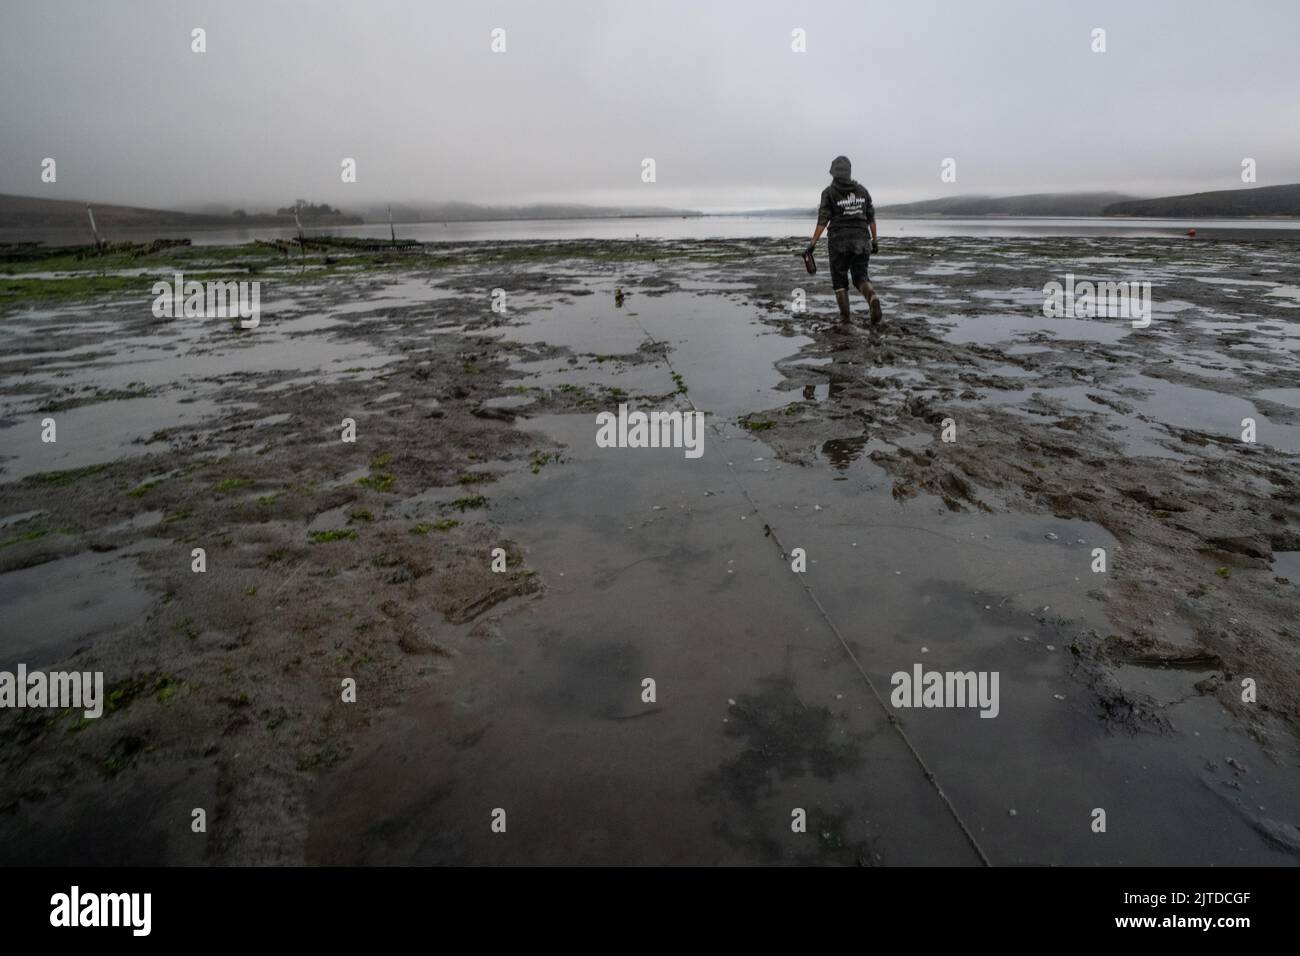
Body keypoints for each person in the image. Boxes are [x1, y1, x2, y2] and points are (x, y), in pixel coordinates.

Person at [805, 155, 882, 329]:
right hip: (862, 239)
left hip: (838, 241)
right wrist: (875, 241)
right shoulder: (862, 191)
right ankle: (872, 297)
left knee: (839, 281)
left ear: (833, 173)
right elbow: (871, 218)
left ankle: (845, 319)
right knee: (860, 277)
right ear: (849, 172)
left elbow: (822, 221)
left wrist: (812, 245)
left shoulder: (829, 192)